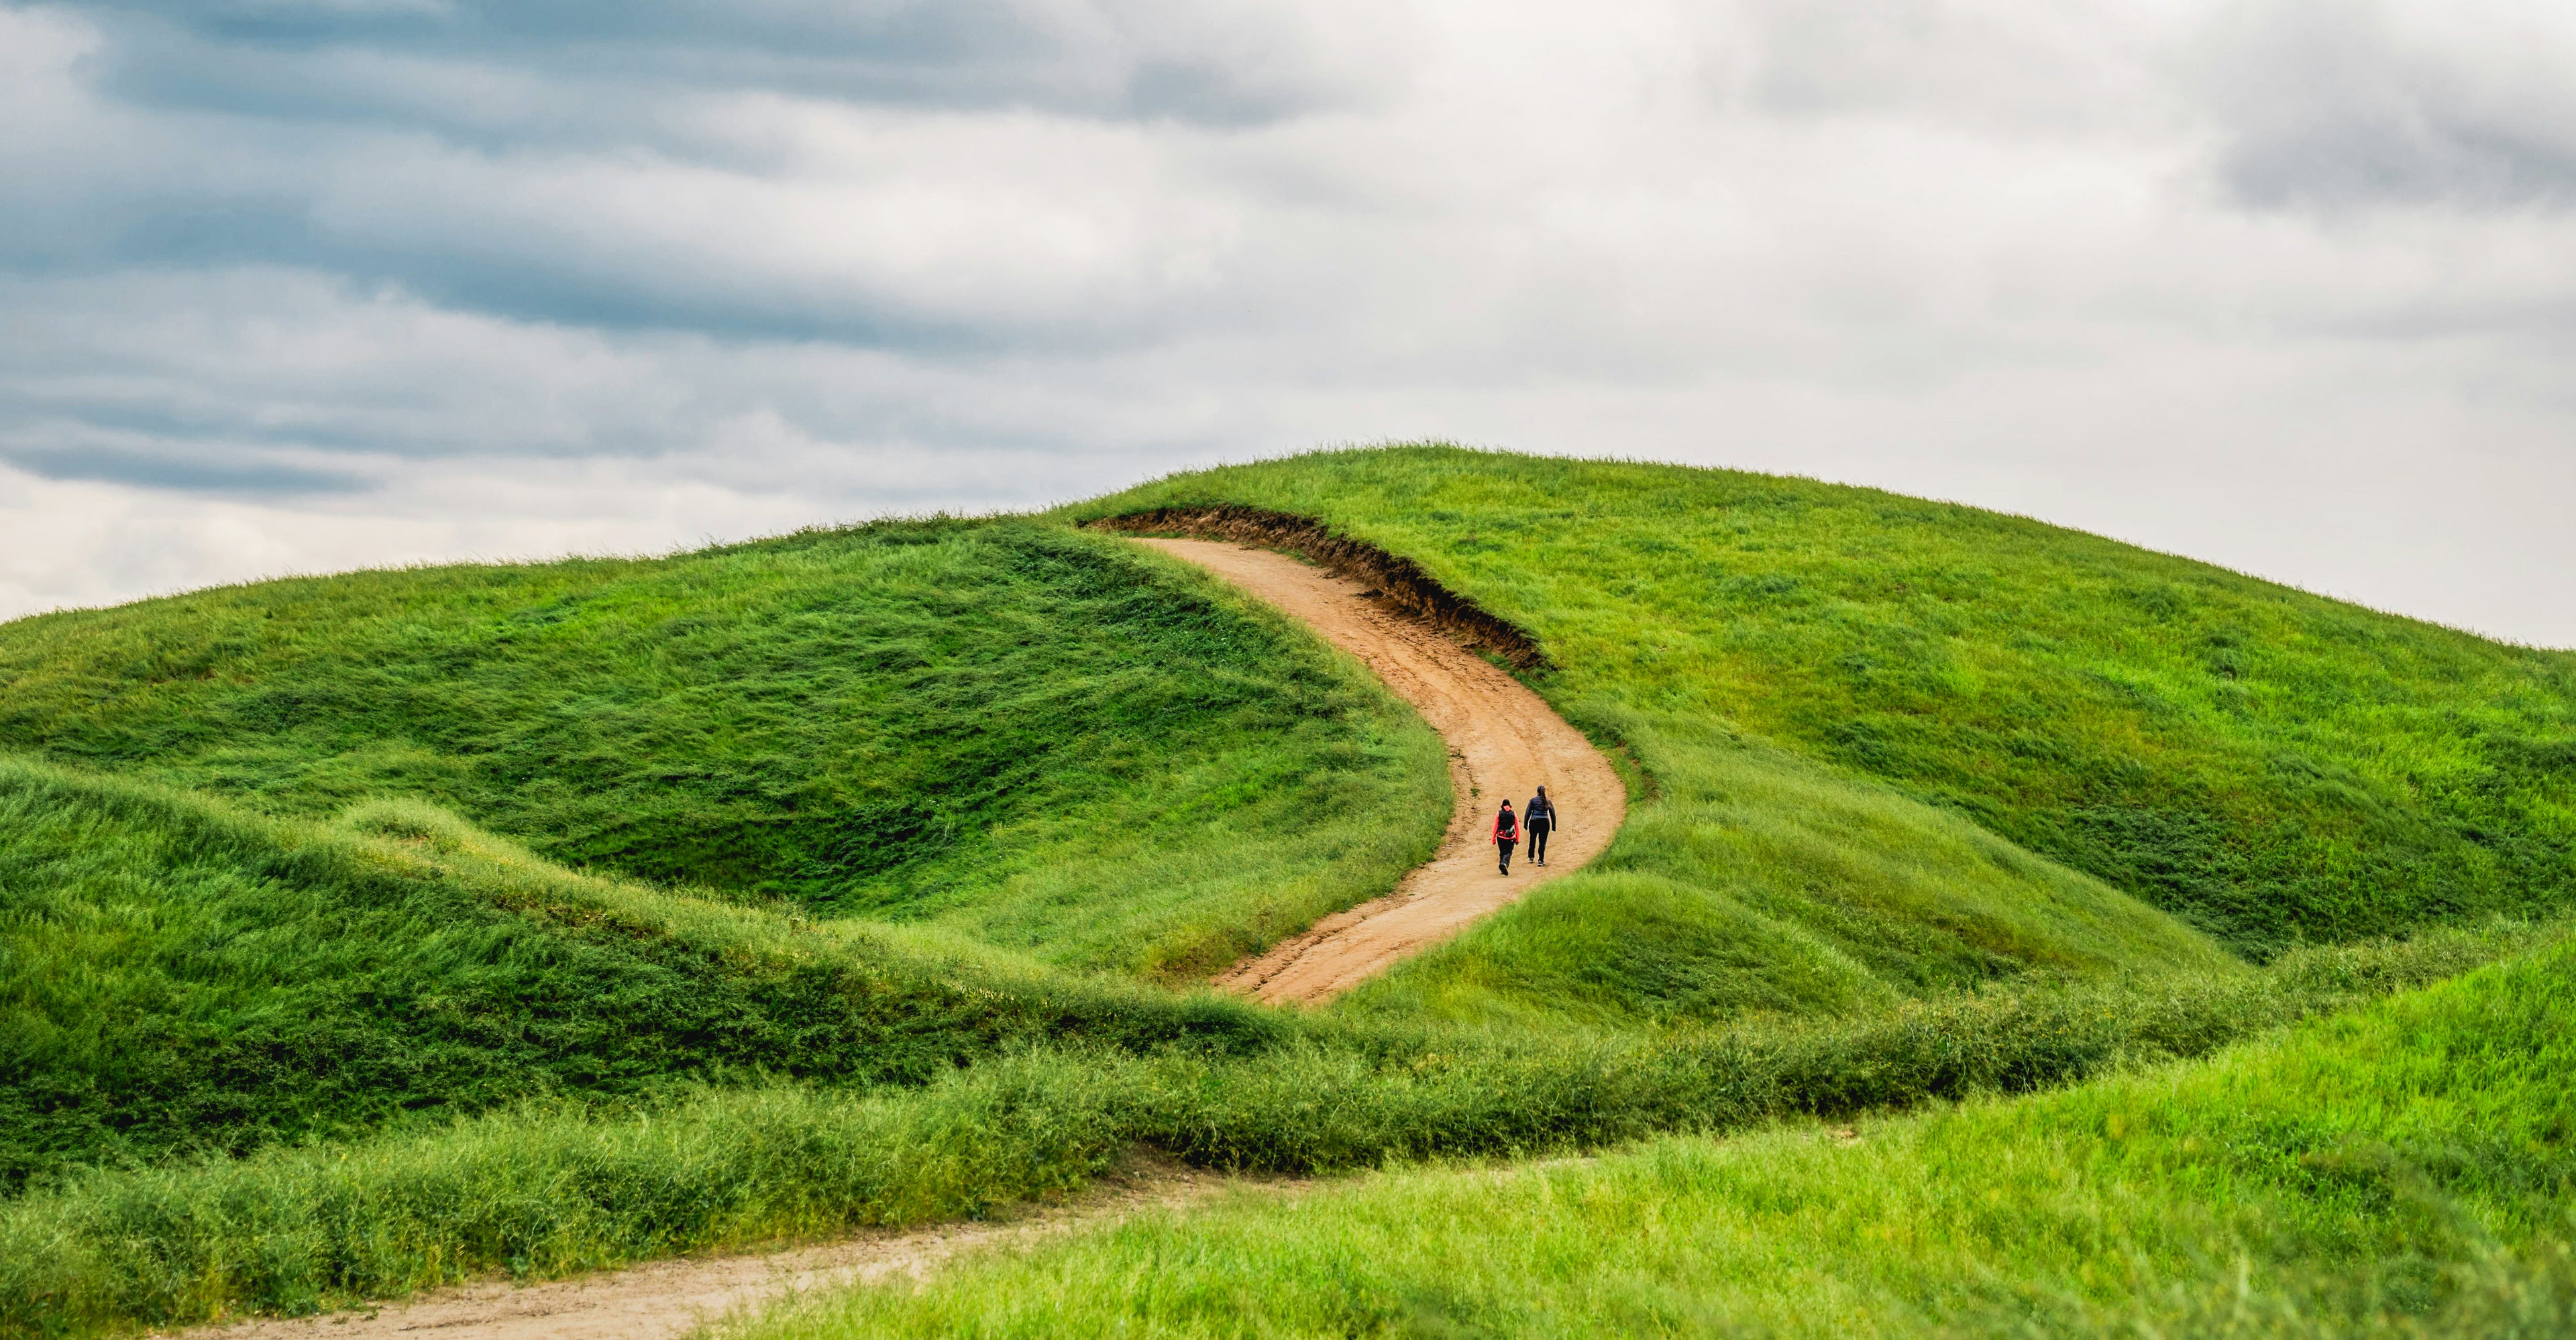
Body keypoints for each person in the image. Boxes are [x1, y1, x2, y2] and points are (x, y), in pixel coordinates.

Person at [1524, 785, 1557, 867]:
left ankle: (1531, 857)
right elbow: (1552, 814)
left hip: (1534, 822)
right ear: (1544, 792)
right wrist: (1554, 826)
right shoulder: (1548, 801)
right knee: (1542, 842)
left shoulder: (1532, 801)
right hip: (1544, 822)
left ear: (1537, 792)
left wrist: (1525, 824)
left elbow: (1528, 813)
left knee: (1532, 839)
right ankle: (1541, 860)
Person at [1491, 798, 1519, 875]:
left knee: (1502, 852)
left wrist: (1493, 839)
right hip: (1511, 837)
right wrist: (1517, 839)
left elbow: (1495, 827)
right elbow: (1517, 827)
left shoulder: (1499, 814)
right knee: (1508, 852)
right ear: (1510, 806)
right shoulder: (1513, 814)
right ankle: (1504, 864)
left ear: (1502, 806)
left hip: (1500, 836)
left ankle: (1502, 867)